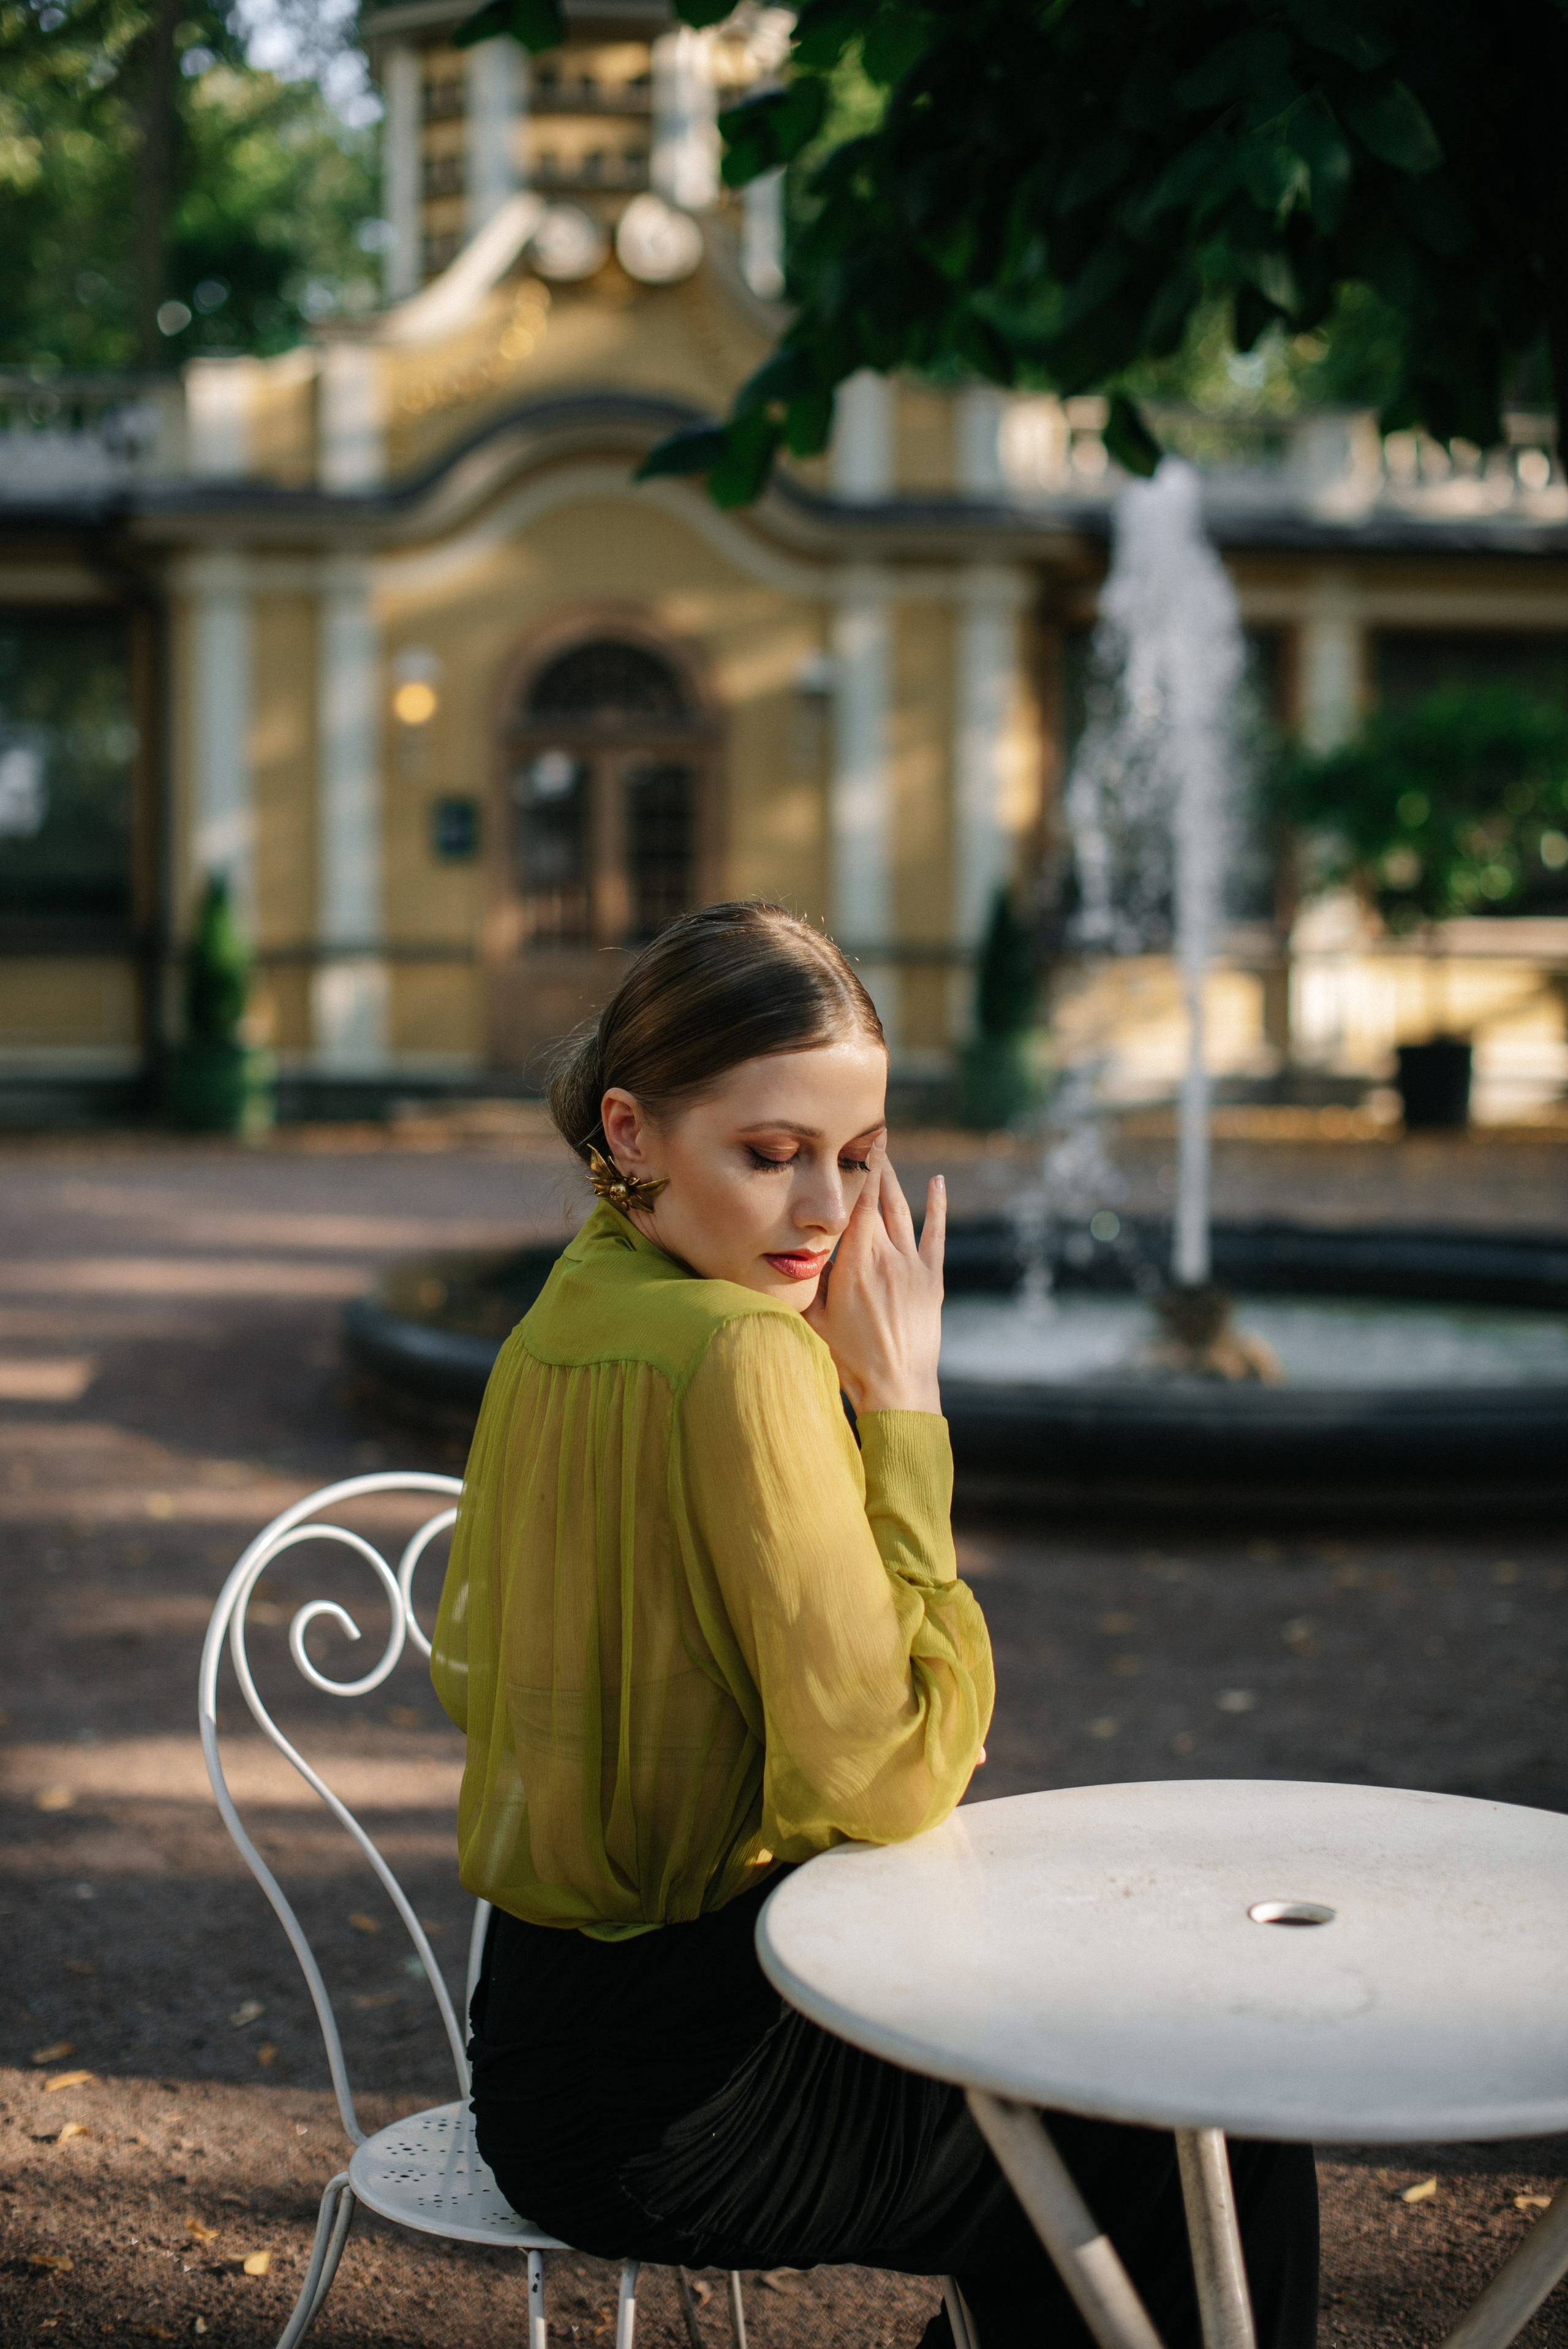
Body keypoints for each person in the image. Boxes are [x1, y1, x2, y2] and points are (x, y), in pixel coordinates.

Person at [431, 900, 1317, 2347]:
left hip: (542, 2040)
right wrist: (901, 1408)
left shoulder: (568, 1305)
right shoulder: (742, 1357)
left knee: (1130, 2138)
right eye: (769, 1155)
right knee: (1208, 2123)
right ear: (630, 1129)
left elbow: (481, 1680)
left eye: (857, 1157)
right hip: (687, 2099)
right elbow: (892, 1776)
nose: (829, 1216)